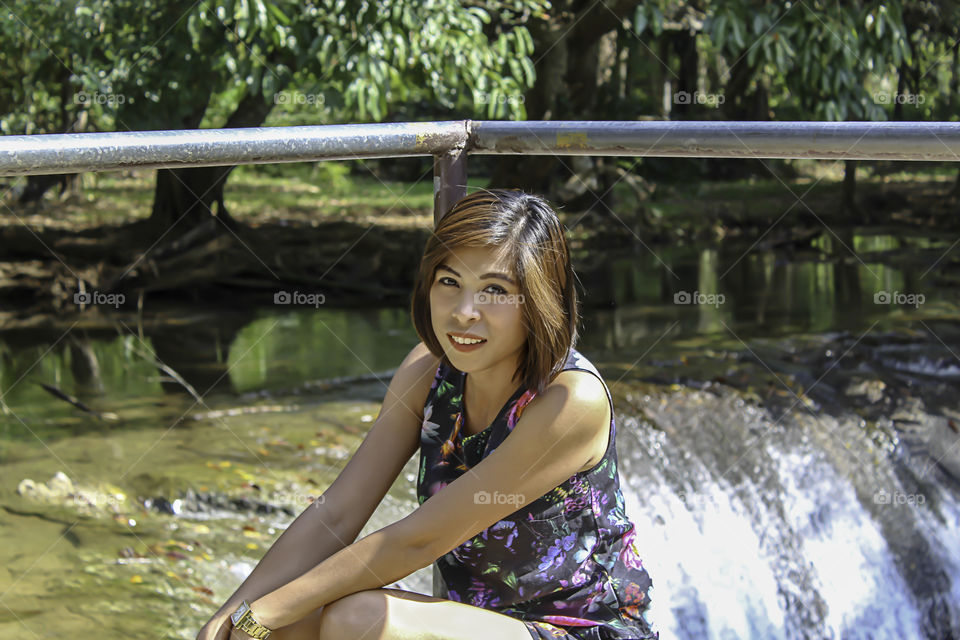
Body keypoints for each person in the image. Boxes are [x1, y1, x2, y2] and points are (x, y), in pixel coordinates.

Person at [197, 189, 656, 640]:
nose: (463, 312)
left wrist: (258, 616)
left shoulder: (570, 401)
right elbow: (336, 514)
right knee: (290, 626)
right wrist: (231, 615)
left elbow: (419, 540)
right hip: (481, 624)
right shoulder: (427, 371)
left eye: (495, 290)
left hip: (583, 631)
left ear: (537, 301)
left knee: (355, 620)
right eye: (449, 282)